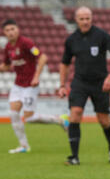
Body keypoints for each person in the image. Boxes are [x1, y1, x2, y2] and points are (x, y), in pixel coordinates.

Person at [58, 6, 110, 165]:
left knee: (103, 119)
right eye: (82, 18)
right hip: (80, 82)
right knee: (75, 113)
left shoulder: (101, 35)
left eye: (87, 18)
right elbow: (65, 64)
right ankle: (74, 157)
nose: (85, 21)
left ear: (91, 18)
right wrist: (62, 85)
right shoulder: (71, 39)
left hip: (100, 83)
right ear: (76, 20)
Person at [0, 19, 69, 154]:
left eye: (12, 29)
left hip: (30, 85)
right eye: (7, 30)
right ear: (4, 32)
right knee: (13, 114)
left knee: (29, 118)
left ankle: (60, 120)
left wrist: (36, 76)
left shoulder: (26, 43)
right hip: (18, 84)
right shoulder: (8, 47)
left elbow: (42, 57)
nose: (10, 32)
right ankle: (24, 146)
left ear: (17, 29)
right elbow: (7, 65)